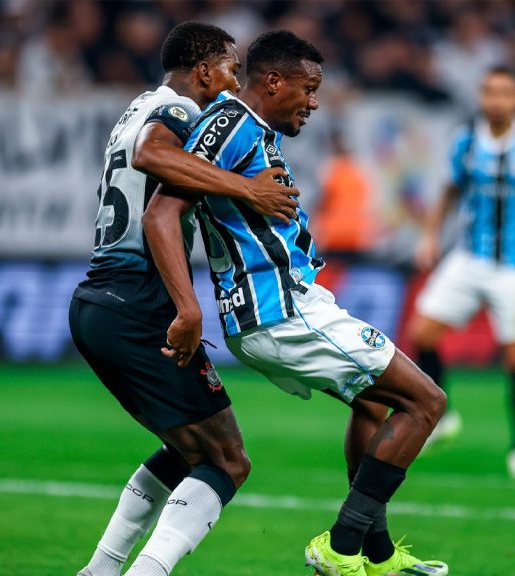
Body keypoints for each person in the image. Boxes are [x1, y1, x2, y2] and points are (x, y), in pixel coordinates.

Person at [143, 30, 449, 576]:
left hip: (283, 305)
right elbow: (162, 211)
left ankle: (375, 557)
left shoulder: (252, 132)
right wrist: (187, 309)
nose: (313, 102)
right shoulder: (233, 123)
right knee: (426, 403)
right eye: (308, 89)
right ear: (273, 81)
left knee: (373, 405)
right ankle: (342, 544)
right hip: (280, 308)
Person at [68, 22, 300, 576]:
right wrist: (249, 190)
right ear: (203, 70)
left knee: (188, 450)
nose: (234, 79)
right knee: (228, 460)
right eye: (229, 66)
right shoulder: (178, 112)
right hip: (139, 299)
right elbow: (153, 158)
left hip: (99, 299)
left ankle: (100, 570)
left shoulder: (137, 106)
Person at [411, 66, 515, 479]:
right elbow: (448, 190)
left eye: (505, 93)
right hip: (469, 257)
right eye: (489, 92)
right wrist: (430, 236)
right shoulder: (465, 141)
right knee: (422, 332)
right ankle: (443, 416)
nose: (496, 100)